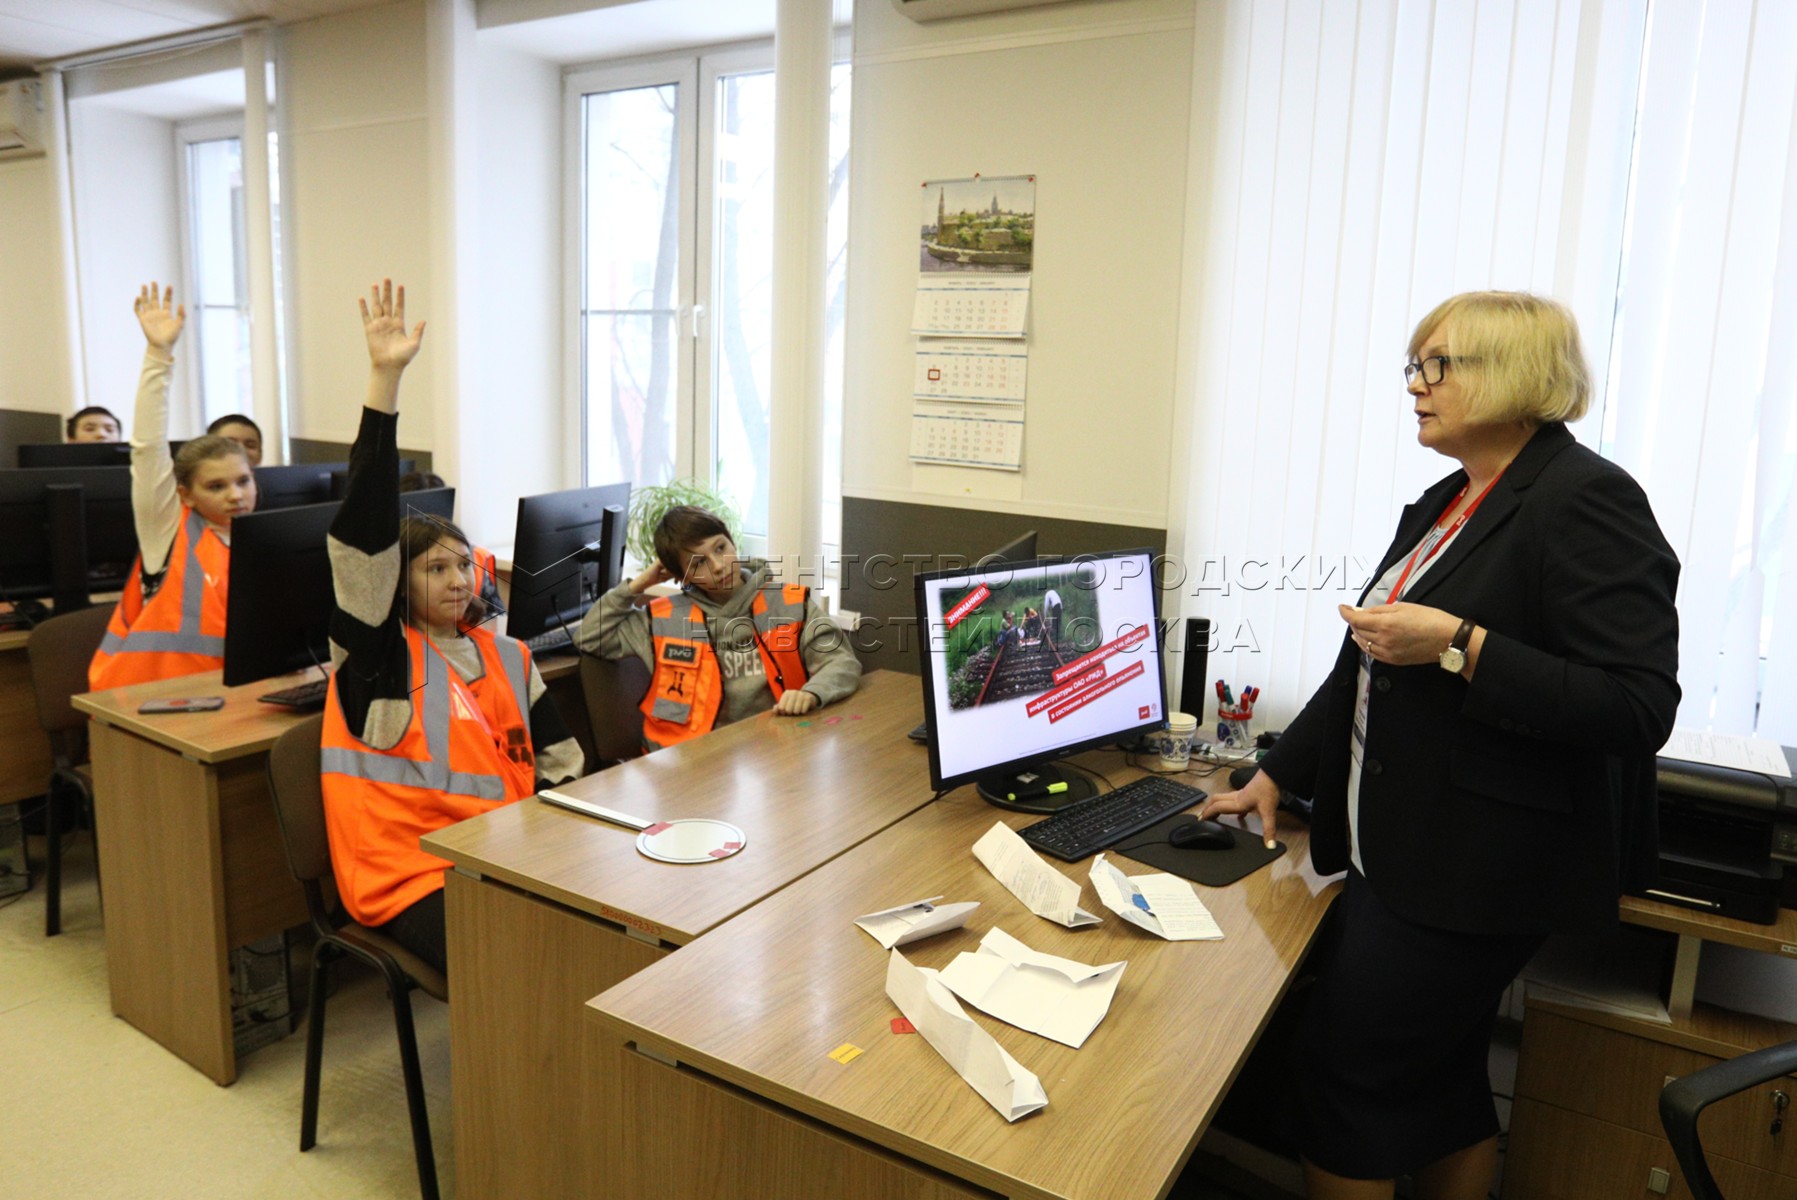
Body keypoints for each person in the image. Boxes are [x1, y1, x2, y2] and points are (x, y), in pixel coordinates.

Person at [1200, 291, 1679, 1200]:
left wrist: (1461, 645)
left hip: (1472, 874)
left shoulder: (1586, 499)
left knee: (1343, 1092)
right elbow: (1367, 663)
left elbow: (1634, 704)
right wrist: (1275, 773)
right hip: (1401, 851)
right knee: (1445, 1083)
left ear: (1513, 375)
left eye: (1436, 366)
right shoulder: (1450, 499)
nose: (1415, 386)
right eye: (1413, 367)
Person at [319, 280, 583, 974]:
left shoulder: (507, 656)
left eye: (464, 565)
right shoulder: (378, 662)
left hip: (505, 855)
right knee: (525, 961)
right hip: (412, 875)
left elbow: (561, 763)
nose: (459, 580)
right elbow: (362, 539)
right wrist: (385, 382)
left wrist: (566, 849)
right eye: (435, 569)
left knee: (604, 925)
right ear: (395, 583)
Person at [579, 505, 861, 754]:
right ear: (682, 576)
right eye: (699, 563)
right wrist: (638, 585)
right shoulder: (662, 620)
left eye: (720, 548)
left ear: (732, 542)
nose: (718, 566)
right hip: (688, 761)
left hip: (776, 749)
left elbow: (841, 662)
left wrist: (811, 694)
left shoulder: (788, 603)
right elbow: (589, 637)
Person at [89, 285, 258, 690]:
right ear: (186, 494)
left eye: (243, 481)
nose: (236, 495)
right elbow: (148, 448)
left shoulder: (263, 539)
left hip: (231, 696)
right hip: (146, 700)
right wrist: (158, 355)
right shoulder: (167, 530)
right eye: (216, 486)